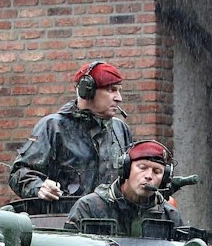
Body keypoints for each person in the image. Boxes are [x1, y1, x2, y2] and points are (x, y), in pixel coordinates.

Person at [8, 61, 136, 202]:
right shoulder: (54, 127)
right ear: (87, 91)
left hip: (113, 220)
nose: (119, 98)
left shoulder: (120, 130)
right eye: (111, 90)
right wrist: (39, 186)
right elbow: (19, 173)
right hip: (65, 219)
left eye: (119, 90)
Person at [67, 139, 185, 240]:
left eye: (157, 171)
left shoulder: (169, 215)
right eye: (142, 168)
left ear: (164, 178)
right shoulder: (89, 208)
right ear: (126, 169)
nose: (149, 176)